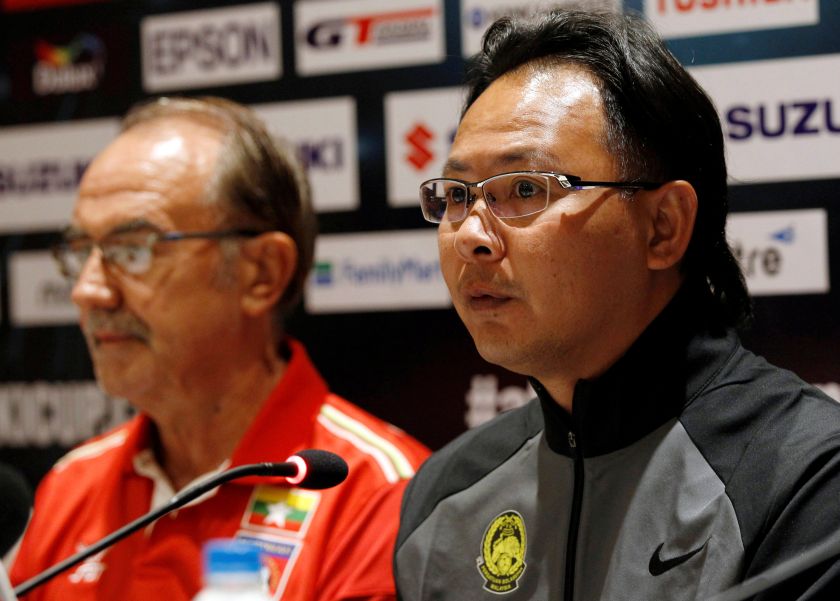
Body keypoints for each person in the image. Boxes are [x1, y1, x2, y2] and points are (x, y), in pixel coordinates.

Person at [395, 9, 840, 600]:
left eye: (525, 188)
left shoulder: (807, 482)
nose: (472, 234)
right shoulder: (445, 493)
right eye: (458, 195)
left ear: (662, 227)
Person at [9, 96, 429, 601]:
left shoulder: (378, 496)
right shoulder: (71, 486)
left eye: (134, 250)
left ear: (261, 273)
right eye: (83, 252)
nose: (89, 290)